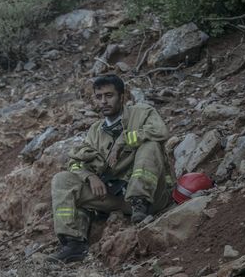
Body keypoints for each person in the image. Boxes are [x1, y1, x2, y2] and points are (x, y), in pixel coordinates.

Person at [47, 74, 175, 263]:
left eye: (109, 95)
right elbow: (74, 163)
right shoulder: (95, 131)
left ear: (122, 96)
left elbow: (160, 132)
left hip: (152, 196)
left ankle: (141, 203)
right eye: (99, 97)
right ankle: (73, 244)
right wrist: (90, 176)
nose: (103, 101)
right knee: (62, 179)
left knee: (150, 145)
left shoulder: (142, 112)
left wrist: (124, 140)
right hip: (116, 197)